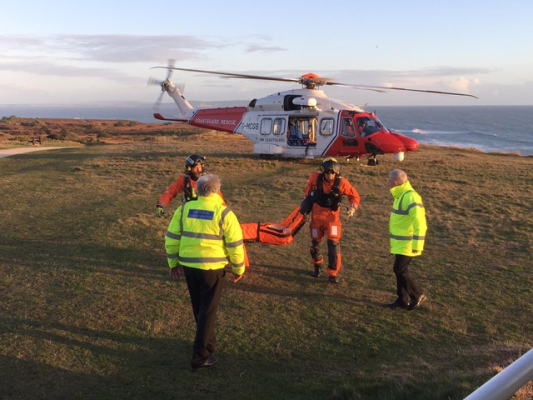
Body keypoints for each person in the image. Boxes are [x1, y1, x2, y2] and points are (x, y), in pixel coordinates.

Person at [165, 174, 245, 371]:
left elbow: (172, 237)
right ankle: (200, 357)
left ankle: (208, 345)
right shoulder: (225, 213)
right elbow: (235, 245)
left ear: (197, 190)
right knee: (207, 311)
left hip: (189, 267)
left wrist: (173, 262)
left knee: (199, 307)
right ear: (217, 191)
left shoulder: (183, 209)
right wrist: (238, 268)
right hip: (213, 269)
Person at [303, 157, 360, 283]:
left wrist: (352, 208)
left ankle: (333, 273)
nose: (330, 176)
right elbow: (307, 195)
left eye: (333, 173)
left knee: (333, 245)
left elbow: (354, 196)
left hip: (332, 218)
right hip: (317, 217)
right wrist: (304, 209)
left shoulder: (342, 183)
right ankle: (317, 265)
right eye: (328, 173)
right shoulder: (314, 178)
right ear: (323, 172)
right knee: (315, 245)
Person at [386, 169, 428, 310]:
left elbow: (420, 223)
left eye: (389, 180)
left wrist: (417, 244)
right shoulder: (400, 195)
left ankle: (417, 294)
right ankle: (402, 299)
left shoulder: (410, 197)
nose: (388, 183)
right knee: (399, 269)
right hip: (400, 242)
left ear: (395, 182)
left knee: (400, 269)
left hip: (408, 243)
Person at [155, 154, 224, 217]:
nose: (199, 170)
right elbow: (171, 192)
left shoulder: (208, 181)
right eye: (196, 167)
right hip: (189, 214)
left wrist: (224, 213)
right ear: (189, 169)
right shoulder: (184, 181)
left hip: (206, 213)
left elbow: (219, 198)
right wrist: (160, 206)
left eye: (200, 167)